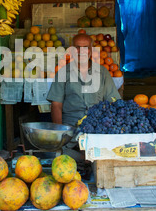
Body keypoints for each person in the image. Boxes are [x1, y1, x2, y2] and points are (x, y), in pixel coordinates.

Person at [46, 33, 121, 162]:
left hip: (97, 127)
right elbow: (56, 105)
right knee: (59, 154)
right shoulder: (63, 73)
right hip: (70, 128)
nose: (81, 52)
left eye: (85, 47)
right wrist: (60, 135)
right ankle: (83, 159)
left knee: (107, 154)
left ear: (91, 51)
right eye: (77, 48)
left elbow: (114, 102)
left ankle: (87, 159)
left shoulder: (103, 73)